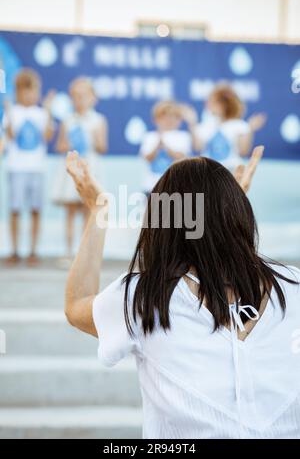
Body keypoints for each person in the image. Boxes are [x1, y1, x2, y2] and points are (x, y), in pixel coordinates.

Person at [64, 146, 300, 439]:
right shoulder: (293, 286)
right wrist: (220, 214)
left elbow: (76, 305)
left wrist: (99, 209)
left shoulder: (145, 297)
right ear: (239, 212)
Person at [1, 68, 54, 265]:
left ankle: (33, 250)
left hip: (37, 169)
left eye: (33, 91)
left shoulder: (41, 113)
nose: (30, 95)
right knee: (15, 209)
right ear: (18, 91)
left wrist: (48, 110)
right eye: (25, 91)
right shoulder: (12, 112)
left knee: (35, 209)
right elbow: (12, 135)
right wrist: (8, 113)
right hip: (16, 168)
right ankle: (14, 250)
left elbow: (47, 136)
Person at [53, 77, 108, 263]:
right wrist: (68, 143)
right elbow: (60, 146)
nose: (80, 100)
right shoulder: (67, 121)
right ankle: (68, 252)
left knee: (88, 210)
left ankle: (84, 255)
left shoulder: (98, 120)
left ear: (93, 98)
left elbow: (102, 147)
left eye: (84, 96)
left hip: (89, 169)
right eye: (75, 96)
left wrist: (91, 136)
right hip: (72, 170)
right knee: (70, 211)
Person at [194, 83, 266, 170]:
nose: (207, 105)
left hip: (231, 172)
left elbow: (243, 151)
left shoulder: (239, 125)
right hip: (208, 172)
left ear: (224, 104)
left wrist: (250, 129)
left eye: (212, 101)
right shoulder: (205, 125)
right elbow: (198, 147)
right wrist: (192, 122)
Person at [140, 101, 192, 194]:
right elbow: (147, 158)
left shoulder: (183, 136)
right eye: (164, 117)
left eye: (173, 117)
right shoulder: (150, 136)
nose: (168, 120)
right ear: (156, 120)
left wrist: (166, 147)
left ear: (179, 120)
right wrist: (157, 146)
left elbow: (183, 158)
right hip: (152, 185)